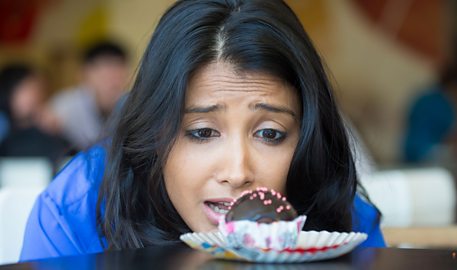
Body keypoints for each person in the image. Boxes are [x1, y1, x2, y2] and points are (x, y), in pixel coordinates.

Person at [20, 0, 385, 262]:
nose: (238, 172)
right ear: (152, 134)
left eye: (270, 134)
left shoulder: (338, 216)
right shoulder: (76, 212)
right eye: (202, 132)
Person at [48, 40, 129, 150]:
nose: (113, 77)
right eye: (105, 70)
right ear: (85, 72)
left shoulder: (131, 103)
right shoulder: (64, 104)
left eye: (119, 68)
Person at [0, 63, 70, 163]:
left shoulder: (46, 127)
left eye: (37, 90)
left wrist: (55, 132)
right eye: (25, 89)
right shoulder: (3, 124)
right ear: (8, 91)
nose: (34, 96)